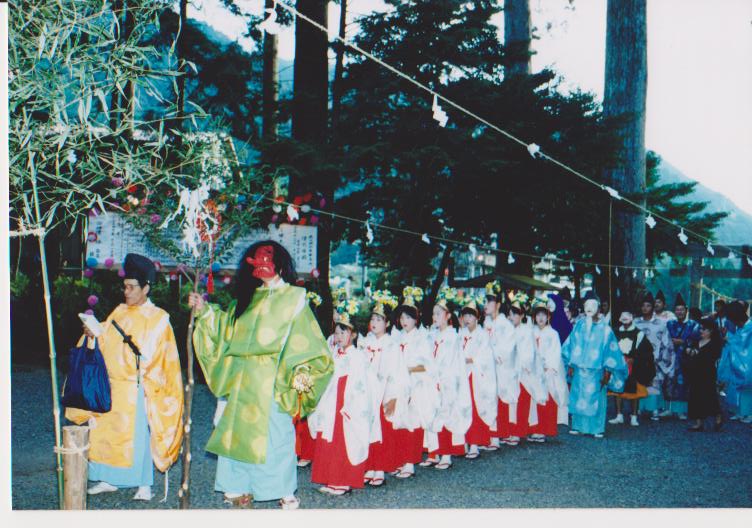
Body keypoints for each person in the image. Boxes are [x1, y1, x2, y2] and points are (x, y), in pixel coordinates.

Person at [189, 241, 333, 509]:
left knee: (275, 436)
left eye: (267, 258)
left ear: (280, 263)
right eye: (257, 259)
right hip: (242, 379)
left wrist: (301, 372)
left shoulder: (294, 298)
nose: (262, 264)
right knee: (236, 435)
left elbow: (307, 342)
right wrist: (205, 311)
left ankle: (281, 488)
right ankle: (237, 487)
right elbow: (226, 329)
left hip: (273, 378)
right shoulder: (247, 299)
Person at [66, 253, 184, 502]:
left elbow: (165, 358)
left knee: (137, 438)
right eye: (125, 287)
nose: (126, 292)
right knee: (106, 432)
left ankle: (144, 484)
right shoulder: (119, 312)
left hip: (138, 387)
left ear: (146, 288)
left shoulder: (158, 319)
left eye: (131, 287)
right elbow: (105, 338)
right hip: (112, 384)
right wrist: (92, 333)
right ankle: (109, 478)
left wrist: (149, 380)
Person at [309, 302, 374, 495]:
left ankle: (343, 480)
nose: (339, 337)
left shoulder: (357, 356)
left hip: (347, 402)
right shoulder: (334, 353)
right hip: (331, 400)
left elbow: (361, 383)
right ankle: (330, 478)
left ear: (353, 335)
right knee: (328, 438)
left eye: (343, 333)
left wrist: (350, 404)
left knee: (343, 441)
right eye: (337, 333)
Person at [562, 293, 627, 438]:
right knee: (578, 397)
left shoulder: (605, 329)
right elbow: (571, 344)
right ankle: (578, 426)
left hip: (597, 370)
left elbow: (611, 352)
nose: (589, 308)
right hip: (579, 369)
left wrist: (608, 371)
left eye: (593, 306)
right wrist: (571, 364)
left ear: (598, 308)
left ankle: (597, 428)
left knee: (596, 399)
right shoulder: (579, 325)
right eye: (587, 306)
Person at [388, 287, 437, 479]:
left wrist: (407, 369)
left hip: (415, 386)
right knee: (398, 423)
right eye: (402, 318)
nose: (404, 321)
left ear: (416, 319)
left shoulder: (422, 338)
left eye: (408, 318)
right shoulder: (397, 337)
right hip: (398, 385)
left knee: (411, 424)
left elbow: (428, 367)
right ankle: (400, 460)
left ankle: (410, 462)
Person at [422, 290, 471, 470]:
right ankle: (434, 452)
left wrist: (440, 378)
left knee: (446, 415)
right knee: (432, 414)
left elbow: (450, 363)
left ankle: (447, 454)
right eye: (434, 313)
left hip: (446, 382)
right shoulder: (433, 335)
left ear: (448, 316)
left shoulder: (452, 337)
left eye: (439, 314)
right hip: (433, 380)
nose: (435, 317)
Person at [359, 291, 403, 487]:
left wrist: (392, 397)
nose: (375, 323)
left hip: (383, 392)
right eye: (373, 319)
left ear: (387, 324)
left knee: (382, 432)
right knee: (366, 429)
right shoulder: (365, 342)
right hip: (368, 392)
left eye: (379, 319)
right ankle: (368, 466)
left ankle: (380, 469)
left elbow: (396, 373)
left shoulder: (392, 345)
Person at [496, 293, 544, 446]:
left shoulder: (526, 331)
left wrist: (523, 365)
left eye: (514, 314)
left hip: (523, 372)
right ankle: (511, 431)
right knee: (512, 403)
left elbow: (529, 352)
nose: (511, 317)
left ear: (522, 315)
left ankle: (518, 432)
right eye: (510, 314)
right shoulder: (510, 330)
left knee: (521, 403)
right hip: (511, 371)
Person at [459, 299, 497, 457]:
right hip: (463, 375)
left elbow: (486, 356)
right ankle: (465, 441)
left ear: (477, 318)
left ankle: (475, 443)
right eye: (465, 315)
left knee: (475, 409)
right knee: (463, 408)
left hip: (476, 376)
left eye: (471, 315)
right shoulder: (461, 334)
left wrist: (472, 359)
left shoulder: (482, 335)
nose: (467, 319)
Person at [608, 303, 655, 427]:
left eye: (627, 316)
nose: (625, 318)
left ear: (632, 317)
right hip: (619, 364)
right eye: (622, 316)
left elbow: (647, 350)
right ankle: (619, 415)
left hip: (634, 365)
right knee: (617, 389)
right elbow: (611, 348)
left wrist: (634, 358)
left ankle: (634, 416)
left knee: (635, 391)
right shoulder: (616, 331)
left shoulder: (639, 333)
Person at [529, 299, 569, 441]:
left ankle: (545, 429)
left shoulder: (553, 334)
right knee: (534, 400)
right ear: (534, 317)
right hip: (534, 370)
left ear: (548, 317)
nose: (540, 318)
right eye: (538, 315)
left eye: (543, 315)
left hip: (547, 371)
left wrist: (548, 366)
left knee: (547, 399)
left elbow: (555, 352)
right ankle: (535, 429)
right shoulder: (531, 332)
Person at [634, 291, 675, 421]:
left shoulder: (661, 323)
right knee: (639, 382)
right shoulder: (636, 323)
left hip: (655, 358)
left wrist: (663, 357)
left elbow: (666, 342)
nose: (645, 308)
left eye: (648, 305)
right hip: (639, 359)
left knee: (654, 384)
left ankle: (654, 409)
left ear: (652, 307)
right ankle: (639, 408)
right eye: (643, 306)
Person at [484, 281, 514, 450]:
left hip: (499, 368)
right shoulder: (486, 323)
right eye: (485, 301)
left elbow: (507, 349)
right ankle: (489, 434)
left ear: (498, 304)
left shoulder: (505, 325)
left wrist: (492, 353)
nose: (486, 305)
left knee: (497, 401)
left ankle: (496, 436)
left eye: (490, 301)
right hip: (487, 368)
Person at [665, 294, 700, 420]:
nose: (679, 312)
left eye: (682, 309)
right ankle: (668, 409)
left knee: (683, 383)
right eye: (677, 310)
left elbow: (696, 341)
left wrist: (683, 343)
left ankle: (682, 411)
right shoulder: (670, 323)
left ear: (686, 310)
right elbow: (666, 339)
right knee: (669, 381)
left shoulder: (693, 324)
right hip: (670, 357)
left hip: (686, 358)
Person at [685, 318, 723, 431]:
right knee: (694, 396)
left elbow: (712, 357)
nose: (701, 331)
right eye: (700, 328)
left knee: (709, 395)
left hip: (708, 373)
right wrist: (689, 351)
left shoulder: (715, 343)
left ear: (711, 331)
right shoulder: (696, 341)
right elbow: (687, 352)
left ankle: (718, 415)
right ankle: (698, 422)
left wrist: (694, 353)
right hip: (694, 373)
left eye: (704, 329)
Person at [717, 301, 752, 423]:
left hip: (747, 363)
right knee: (738, 386)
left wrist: (728, 338)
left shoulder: (749, 327)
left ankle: (748, 413)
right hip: (741, 363)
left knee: (747, 387)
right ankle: (740, 412)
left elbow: (741, 345)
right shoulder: (742, 328)